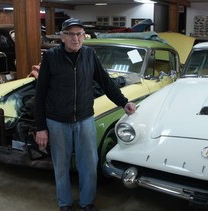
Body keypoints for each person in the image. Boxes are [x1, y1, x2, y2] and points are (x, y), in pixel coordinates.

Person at [34, 18, 136, 211]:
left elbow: (106, 82)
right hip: (57, 121)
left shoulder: (89, 54)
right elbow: (40, 94)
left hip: (85, 119)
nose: (76, 38)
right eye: (71, 34)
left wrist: (123, 102)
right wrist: (41, 127)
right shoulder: (51, 57)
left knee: (89, 165)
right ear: (62, 37)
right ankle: (64, 203)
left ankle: (87, 202)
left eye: (80, 34)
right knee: (61, 166)